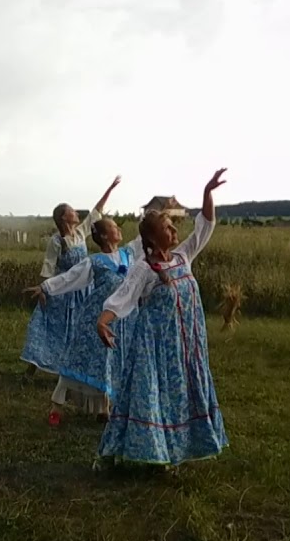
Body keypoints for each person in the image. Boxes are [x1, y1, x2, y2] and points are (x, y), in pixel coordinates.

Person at [95, 168, 229, 468]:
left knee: (182, 396)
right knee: (153, 396)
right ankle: (148, 452)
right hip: (156, 349)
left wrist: (207, 193)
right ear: (154, 238)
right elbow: (123, 297)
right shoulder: (145, 269)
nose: (175, 232)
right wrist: (102, 322)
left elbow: (205, 227)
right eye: (169, 228)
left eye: (173, 227)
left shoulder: (183, 257)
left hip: (187, 347)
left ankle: (178, 450)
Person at [21, 176, 122, 426]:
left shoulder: (81, 233)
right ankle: (34, 367)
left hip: (85, 293)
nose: (76, 213)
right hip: (64, 290)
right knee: (50, 328)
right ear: (63, 218)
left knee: (78, 334)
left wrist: (109, 189)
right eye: (72, 212)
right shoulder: (57, 242)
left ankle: (95, 400)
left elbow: (97, 211)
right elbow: (50, 267)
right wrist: (45, 288)